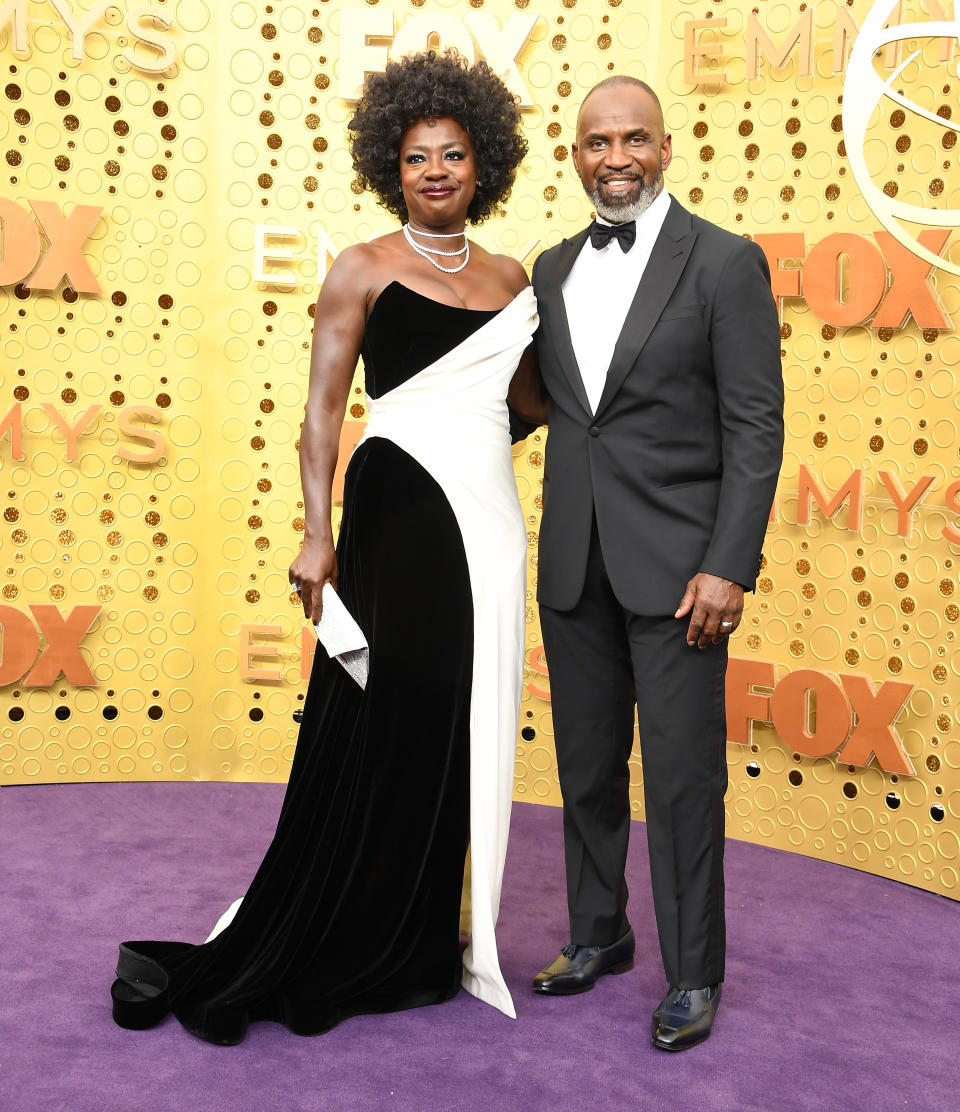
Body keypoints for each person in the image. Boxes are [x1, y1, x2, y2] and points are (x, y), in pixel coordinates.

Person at [110, 51, 543, 1045]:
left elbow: (527, 404)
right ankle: (341, 923)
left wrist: (601, 369)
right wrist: (314, 530)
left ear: (486, 164)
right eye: (418, 157)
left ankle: (416, 939)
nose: (437, 171)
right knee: (382, 706)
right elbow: (319, 410)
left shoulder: (510, 278)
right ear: (393, 168)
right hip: (393, 510)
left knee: (448, 716)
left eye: (455, 155)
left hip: (483, 514)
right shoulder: (362, 265)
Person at [529, 76, 783, 1051]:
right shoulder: (549, 269)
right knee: (586, 769)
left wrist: (729, 564)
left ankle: (692, 972)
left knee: (682, 783)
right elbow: (536, 405)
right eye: (598, 142)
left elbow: (755, 424)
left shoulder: (723, 263)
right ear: (577, 153)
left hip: (683, 576)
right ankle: (599, 931)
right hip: (575, 567)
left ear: (666, 147)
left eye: (635, 138)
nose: (617, 157)